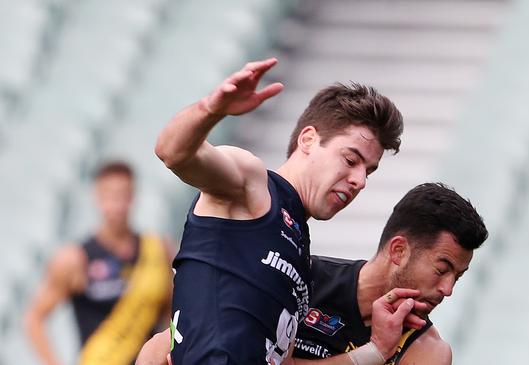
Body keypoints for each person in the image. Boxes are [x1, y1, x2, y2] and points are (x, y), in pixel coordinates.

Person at [154, 57, 405, 365]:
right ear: (309, 139)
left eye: (369, 171)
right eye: (351, 160)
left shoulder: (300, 256)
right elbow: (173, 152)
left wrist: (376, 351)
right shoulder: (252, 183)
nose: (360, 181)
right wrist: (211, 109)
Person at [136, 182, 488, 365]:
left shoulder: (426, 351)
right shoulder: (296, 276)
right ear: (398, 251)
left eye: (457, 276)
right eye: (442, 269)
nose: (447, 290)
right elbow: (160, 350)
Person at [24, 161, 173, 365]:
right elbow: (34, 319)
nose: (117, 205)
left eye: (123, 195)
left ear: (133, 196)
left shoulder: (159, 251)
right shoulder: (75, 259)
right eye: (110, 196)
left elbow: (173, 314)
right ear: (97, 197)